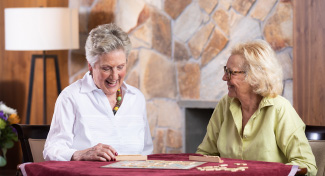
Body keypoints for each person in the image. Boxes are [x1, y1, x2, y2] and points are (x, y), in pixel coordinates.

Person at [196, 40, 317, 175]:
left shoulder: (280, 109)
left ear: (254, 76)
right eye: (225, 70)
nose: (224, 78)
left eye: (231, 72)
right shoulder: (225, 105)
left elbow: (307, 165)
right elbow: (205, 154)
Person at [43, 23, 153, 161]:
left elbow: (147, 151)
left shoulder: (136, 98)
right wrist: (80, 154)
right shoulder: (71, 97)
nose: (114, 76)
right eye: (106, 68)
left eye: (120, 67)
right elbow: (51, 150)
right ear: (90, 65)